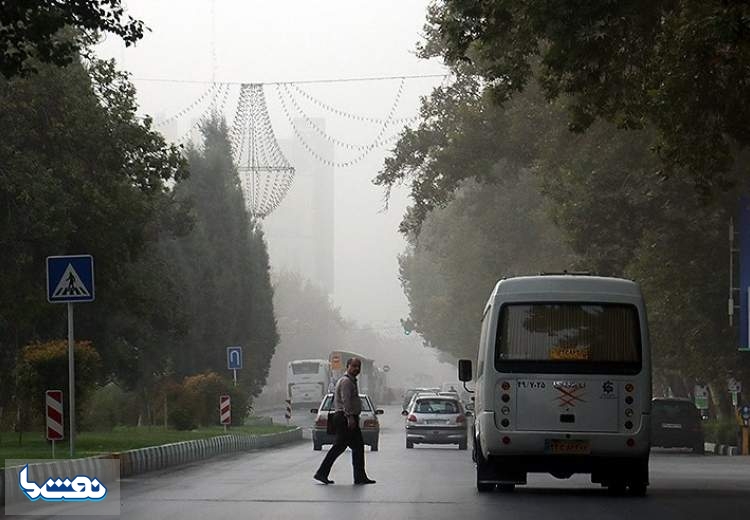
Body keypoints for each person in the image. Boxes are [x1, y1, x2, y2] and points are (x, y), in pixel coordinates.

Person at [314, 357, 376, 485]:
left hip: (346, 417)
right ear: (347, 367)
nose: (356, 369)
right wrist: (350, 418)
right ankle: (322, 473)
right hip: (344, 418)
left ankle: (358, 476)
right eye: (353, 366)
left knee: (352, 447)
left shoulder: (351, 381)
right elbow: (345, 400)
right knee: (344, 447)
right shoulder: (346, 382)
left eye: (358, 366)